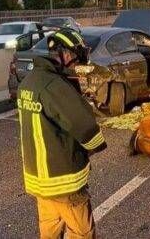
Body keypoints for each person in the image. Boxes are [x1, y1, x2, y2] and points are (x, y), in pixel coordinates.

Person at [17, 28, 107, 239]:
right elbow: (84, 125)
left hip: (40, 182)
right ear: (65, 54)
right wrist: (96, 146)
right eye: (77, 57)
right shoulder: (55, 85)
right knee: (82, 233)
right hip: (64, 182)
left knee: (49, 232)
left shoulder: (29, 82)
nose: (77, 65)